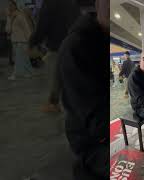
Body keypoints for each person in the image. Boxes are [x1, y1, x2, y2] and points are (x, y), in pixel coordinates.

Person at [58, 0, 108, 179]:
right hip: (92, 145)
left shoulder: (101, 38)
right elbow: (95, 117)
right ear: (99, 3)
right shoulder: (77, 46)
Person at [28, 0, 80, 112]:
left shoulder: (50, 2)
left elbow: (42, 24)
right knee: (67, 76)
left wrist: (33, 42)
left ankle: (54, 103)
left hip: (58, 44)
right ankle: (55, 102)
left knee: (55, 74)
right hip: (75, 42)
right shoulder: (72, 3)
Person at [5, 0, 34, 80]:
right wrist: (10, 20)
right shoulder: (9, 16)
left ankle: (15, 74)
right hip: (14, 40)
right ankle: (29, 72)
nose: (10, 7)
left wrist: (29, 40)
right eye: (9, 5)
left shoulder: (20, 16)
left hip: (22, 40)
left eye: (11, 5)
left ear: (15, 6)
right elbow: (8, 29)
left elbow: (26, 28)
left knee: (18, 58)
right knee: (24, 58)